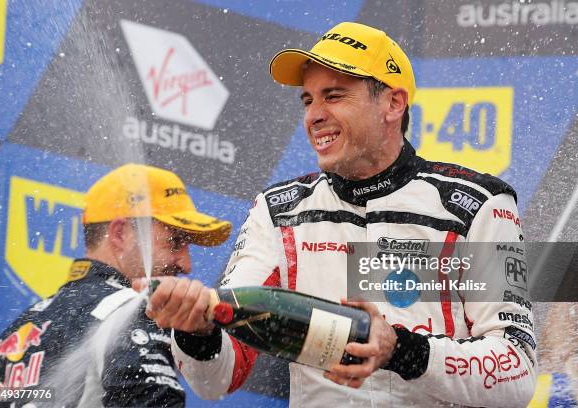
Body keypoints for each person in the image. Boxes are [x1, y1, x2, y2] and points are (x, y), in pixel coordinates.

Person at [142, 22, 537, 407]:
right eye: (308, 100)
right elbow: (220, 379)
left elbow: (516, 372)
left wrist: (401, 351)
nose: (314, 115)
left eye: (333, 96)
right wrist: (198, 332)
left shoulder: (478, 204)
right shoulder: (279, 211)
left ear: (392, 104)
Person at [0, 164, 231, 407]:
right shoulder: (134, 310)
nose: (186, 265)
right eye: (175, 241)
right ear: (120, 234)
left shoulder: (20, 329)